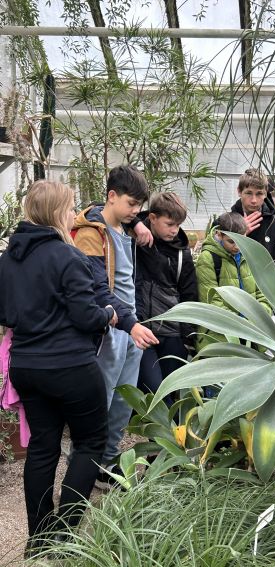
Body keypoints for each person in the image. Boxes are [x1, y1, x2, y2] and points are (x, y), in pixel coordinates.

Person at [0, 180, 117, 554]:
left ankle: (39, 542)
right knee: (90, 442)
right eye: (69, 208)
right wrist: (108, 314)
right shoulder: (67, 257)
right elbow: (87, 317)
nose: (72, 214)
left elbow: (5, 313)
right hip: (70, 368)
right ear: (55, 213)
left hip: (27, 367)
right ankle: (64, 537)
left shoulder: (7, 258)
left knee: (42, 448)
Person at [73, 165, 159, 489]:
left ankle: (106, 462)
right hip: (110, 326)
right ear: (111, 196)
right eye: (132, 205)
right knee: (101, 399)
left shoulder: (123, 225)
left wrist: (135, 221)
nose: (137, 211)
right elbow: (96, 287)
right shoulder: (90, 234)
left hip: (130, 326)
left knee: (124, 399)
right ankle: (83, 465)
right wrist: (129, 324)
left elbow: (126, 215)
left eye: (139, 205)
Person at [134, 192, 198, 401]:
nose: (174, 230)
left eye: (178, 225)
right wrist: (136, 223)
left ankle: (171, 435)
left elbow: (190, 295)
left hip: (172, 333)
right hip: (142, 330)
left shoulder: (182, 254)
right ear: (152, 218)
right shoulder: (134, 240)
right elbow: (103, 209)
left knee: (172, 394)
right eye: (169, 224)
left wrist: (189, 337)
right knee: (154, 392)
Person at [195, 212, 272, 352]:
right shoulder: (208, 258)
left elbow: (263, 293)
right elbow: (211, 300)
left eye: (241, 240)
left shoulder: (249, 255)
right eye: (231, 241)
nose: (237, 247)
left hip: (254, 333)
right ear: (219, 234)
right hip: (222, 335)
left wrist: (261, 315)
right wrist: (242, 324)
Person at [230, 168, 275, 280]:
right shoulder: (226, 221)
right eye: (249, 193)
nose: (254, 200)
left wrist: (272, 287)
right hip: (236, 290)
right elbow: (213, 256)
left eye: (259, 194)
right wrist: (238, 233)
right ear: (239, 192)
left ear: (266, 193)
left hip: (266, 291)